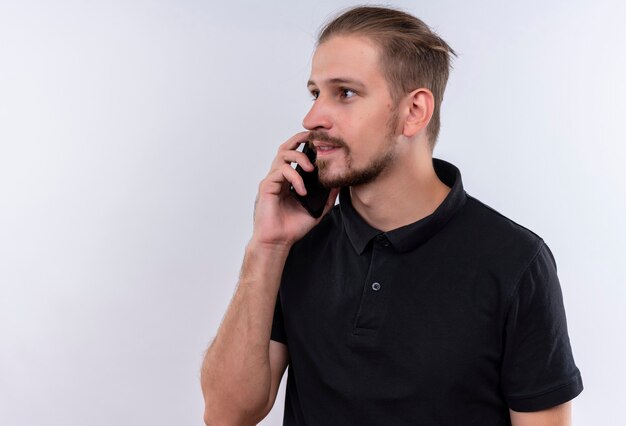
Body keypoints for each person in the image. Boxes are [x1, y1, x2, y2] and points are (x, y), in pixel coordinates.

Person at [201, 6, 583, 425]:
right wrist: (267, 247)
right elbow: (226, 414)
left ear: (414, 111)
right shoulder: (297, 244)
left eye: (344, 92)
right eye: (315, 93)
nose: (312, 118)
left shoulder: (514, 262)